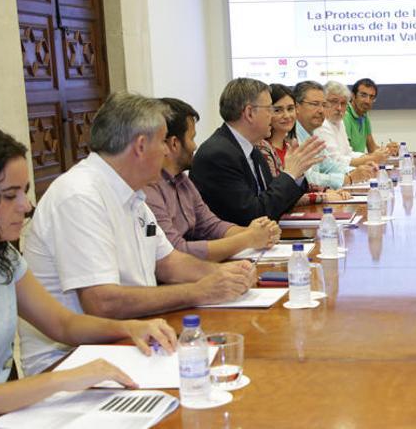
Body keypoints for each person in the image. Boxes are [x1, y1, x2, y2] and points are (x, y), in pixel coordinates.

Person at [20, 93, 257, 375]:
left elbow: (169, 262)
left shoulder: (133, 193)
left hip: (132, 337)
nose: (167, 152)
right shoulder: (80, 196)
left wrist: (224, 276)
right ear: (141, 146)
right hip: (72, 361)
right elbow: (101, 302)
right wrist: (199, 291)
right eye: (162, 142)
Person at [0, 124, 177, 421]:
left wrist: (127, 327)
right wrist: (60, 380)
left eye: (25, 192)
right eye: (9, 195)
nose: (26, 206)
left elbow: (62, 323)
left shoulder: (2, 256)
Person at [143, 97, 281, 262]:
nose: (195, 146)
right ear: (174, 144)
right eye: (192, 138)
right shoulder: (149, 188)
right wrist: (247, 239)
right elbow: (176, 251)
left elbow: (211, 226)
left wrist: (259, 232)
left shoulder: (182, 180)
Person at [190, 78, 325, 224]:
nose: (272, 115)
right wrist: (290, 174)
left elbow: (275, 202)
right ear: (249, 113)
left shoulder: (251, 149)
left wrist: (297, 174)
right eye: (269, 109)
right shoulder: (218, 155)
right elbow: (253, 215)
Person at [258, 84, 350, 205]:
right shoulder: (262, 149)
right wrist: (323, 197)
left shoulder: (289, 145)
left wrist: (326, 191)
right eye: (278, 110)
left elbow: (303, 184)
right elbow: (279, 196)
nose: (287, 115)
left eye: (290, 109)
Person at [294, 80, 376, 189]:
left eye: (324, 105)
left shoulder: (311, 132)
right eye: (315, 104)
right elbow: (307, 179)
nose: (321, 110)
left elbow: (328, 165)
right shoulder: (293, 136)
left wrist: (358, 171)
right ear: (297, 106)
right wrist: (349, 178)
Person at [316, 81, 389, 167]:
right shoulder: (322, 124)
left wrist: (371, 156)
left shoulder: (339, 121)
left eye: (343, 103)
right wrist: (371, 158)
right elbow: (336, 161)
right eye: (334, 102)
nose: (339, 108)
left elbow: (348, 152)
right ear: (323, 102)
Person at [344, 78, 398, 155]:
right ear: (353, 96)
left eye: (371, 97)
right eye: (363, 95)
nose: (367, 101)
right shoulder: (345, 116)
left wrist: (388, 150)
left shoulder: (364, 115)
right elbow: (346, 155)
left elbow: (372, 148)